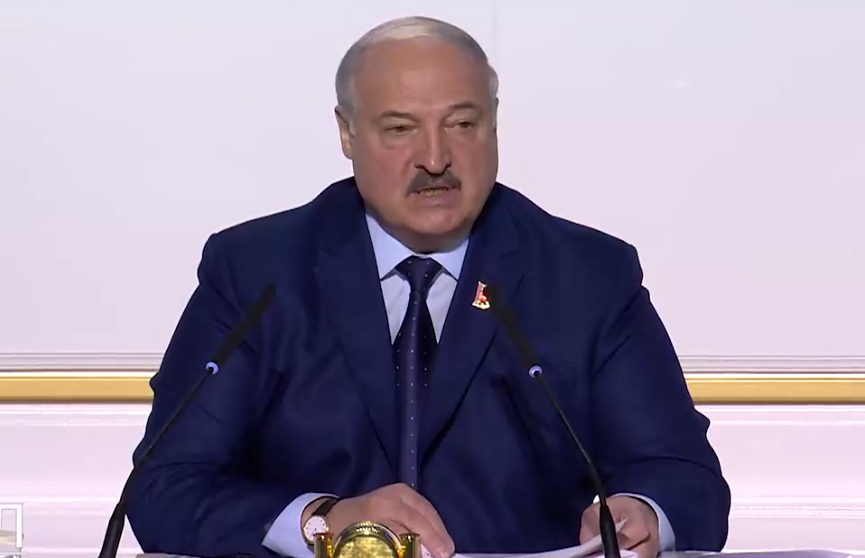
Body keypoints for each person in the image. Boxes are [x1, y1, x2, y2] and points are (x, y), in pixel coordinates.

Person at [125, 15, 731, 558]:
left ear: (494, 123)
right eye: (400, 129)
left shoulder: (588, 276)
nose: (436, 158)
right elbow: (165, 486)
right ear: (347, 134)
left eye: (462, 123)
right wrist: (320, 522)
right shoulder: (257, 273)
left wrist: (643, 515)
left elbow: (685, 480)